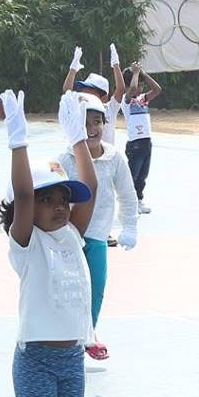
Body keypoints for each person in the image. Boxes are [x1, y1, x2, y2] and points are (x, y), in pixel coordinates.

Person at [0, 89, 100, 397]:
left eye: (63, 199)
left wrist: (78, 138)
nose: (59, 206)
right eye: (48, 200)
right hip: (35, 362)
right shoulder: (27, 243)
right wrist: (18, 141)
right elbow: (22, 193)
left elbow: (90, 188)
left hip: (71, 361)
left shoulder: (73, 235)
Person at [59, 94, 139, 363]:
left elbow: (127, 194)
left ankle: (87, 334)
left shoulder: (114, 157)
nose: (91, 129)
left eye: (97, 122)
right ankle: (64, 339)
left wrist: (130, 226)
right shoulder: (64, 159)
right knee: (67, 290)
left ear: (105, 124)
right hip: (67, 237)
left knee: (96, 287)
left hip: (97, 235)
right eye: (84, 123)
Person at [109, 45, 162, 213]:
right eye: (139, 84)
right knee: (133, 175)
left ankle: (138, 200)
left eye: (141, 85)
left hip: (146, 142)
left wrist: (143, 74)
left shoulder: (143, 99)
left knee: (142, 176)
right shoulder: (127, 100)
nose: (140, 88)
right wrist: (136, 74)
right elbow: (131, 89)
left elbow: (157, 89)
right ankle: (129, 203)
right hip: (135, 144)